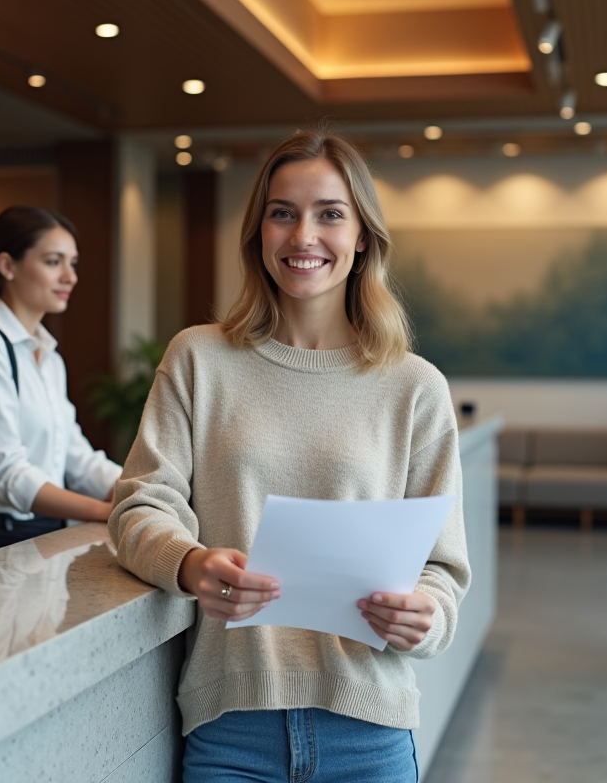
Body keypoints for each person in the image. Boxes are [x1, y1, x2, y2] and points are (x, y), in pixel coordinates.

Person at [109, 129, 470, 782]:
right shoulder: (199, 360)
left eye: (330, 214)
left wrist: (428, 615)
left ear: (362, 236)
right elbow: (139, 505)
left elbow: (441, 567)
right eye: (283, 213)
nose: (304, 235)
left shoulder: (415, 387)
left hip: (371, 733)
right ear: (259, 233)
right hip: (231, 731)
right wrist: (189, 563)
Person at [0, 206, 121, 562]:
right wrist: (104, 511)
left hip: (44, 534)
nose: (70, 277)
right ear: (7, 266)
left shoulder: (48, 355)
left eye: (73, 263)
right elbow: (5, 472)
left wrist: (144, 491)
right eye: (54, 262)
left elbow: (77, 459)